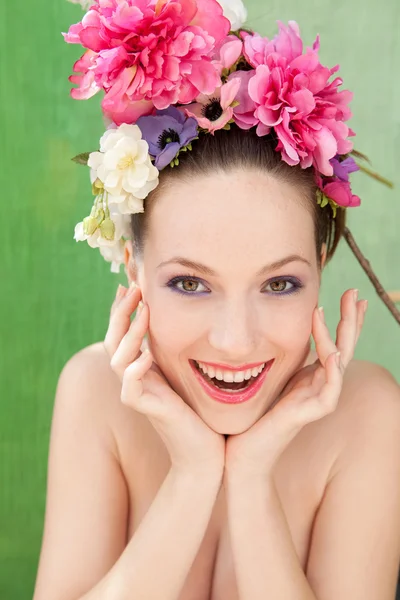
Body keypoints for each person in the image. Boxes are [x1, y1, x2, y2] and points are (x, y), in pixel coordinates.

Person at [33, 2, 400, 599]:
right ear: (134, 269)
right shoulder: (96, 394)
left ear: (321, 265)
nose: (235, 341)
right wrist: (193, 476)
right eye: (190, 284)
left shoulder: (368, 414)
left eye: (279, 284)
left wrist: (252, 478)